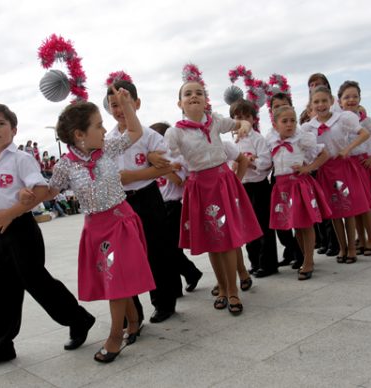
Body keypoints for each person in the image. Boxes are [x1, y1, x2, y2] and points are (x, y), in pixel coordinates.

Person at [21, 86, 157, 363]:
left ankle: (115, 336)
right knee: (113, 278)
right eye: (99, 125)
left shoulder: (108, 148)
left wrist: (126, 103)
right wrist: (28, 194)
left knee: (117, 278)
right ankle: (133, 322)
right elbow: (51, 191)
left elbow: (135, 132)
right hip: (95, 227)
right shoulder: (65, 165)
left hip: (120, 220)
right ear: (79, 135)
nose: (105, 130)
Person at [0, 103, 95, 372]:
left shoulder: (21, 159)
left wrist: (12, 212)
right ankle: (2, 345)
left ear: (14, 129)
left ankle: (78, 319)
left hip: (21, 229)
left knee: (37, 283)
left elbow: (39, 189)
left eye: (1, 124)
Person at [164, 66, 262, 315]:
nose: (194, 96)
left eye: (199, 92)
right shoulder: (175, 132)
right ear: (180, 103)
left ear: (206, 100)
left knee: (228, 242)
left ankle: (232, 292)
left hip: (221, 183)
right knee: (212, 242)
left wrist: (243, 127)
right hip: (198, 188)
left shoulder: (216, 121)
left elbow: (242, 123)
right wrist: (168, 162)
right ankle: (224, 286)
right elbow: (166, 154)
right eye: (188, 94)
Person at [105, 78, 182, 324]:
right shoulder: (107, 140)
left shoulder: (148, 135)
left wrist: (135, 174)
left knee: (158, 250)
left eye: (123, 103)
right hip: (121, 202)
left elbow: (165, 167)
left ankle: (164, 303)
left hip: (148, 197)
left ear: (136, 103)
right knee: (127, 257)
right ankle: (133, 312)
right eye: (113, 105)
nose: (119, 110)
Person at [300, 86, 371, 264]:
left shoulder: (342, 119)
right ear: (311, 105)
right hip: (326, 170)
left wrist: (347, 149)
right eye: (316, 102)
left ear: (332, 102)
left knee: (348, 209)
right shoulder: (308, 127)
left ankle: (353, 248)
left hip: (343, 166)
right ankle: (342, 247)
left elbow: (364, 133)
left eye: (324, 100)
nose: (321, 105)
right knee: (335, 212)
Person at [267, 106, 331, 280]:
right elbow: (266, 164)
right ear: (275, 125)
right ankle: (305, 258)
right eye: (285, 121)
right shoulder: (271, 141)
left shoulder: (301, 139)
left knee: (306, 224)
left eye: (293, 121)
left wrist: (308, 168)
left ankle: (309, 260)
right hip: (282, 187)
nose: (290, 125)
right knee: (296, 225)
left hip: (298, 184)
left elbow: (324, 154)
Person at [150, 122, 204, 293]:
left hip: (174, 206)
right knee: (165, 248)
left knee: (172, 247)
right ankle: (178, 285)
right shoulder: (153, 161)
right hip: (159, 206)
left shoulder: (176, 159)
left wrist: (162, 169)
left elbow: (179, 180)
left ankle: (191, 272)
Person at [338, 81, 371, 257]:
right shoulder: (339, 120)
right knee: (355, 205)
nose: (351, 100)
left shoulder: (365, 121)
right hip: (348, 165)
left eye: (355, 96)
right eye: (347, 97)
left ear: (360, 99)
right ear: (339, 101)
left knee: (365, 204)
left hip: (362, 164)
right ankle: (361, 237)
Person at [229, 99, 279, 278]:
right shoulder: (233, 143)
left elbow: (266, 162)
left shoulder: (258, 139)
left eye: (245, 117)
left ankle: (268, 264)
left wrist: (251, 162)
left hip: (259, 186)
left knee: (264, 225)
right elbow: (230, 165)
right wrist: (236, 164)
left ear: (253, 119)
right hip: (243, 187)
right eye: (237, 118)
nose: (242, 121)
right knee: (247, 226)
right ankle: (255, 261)